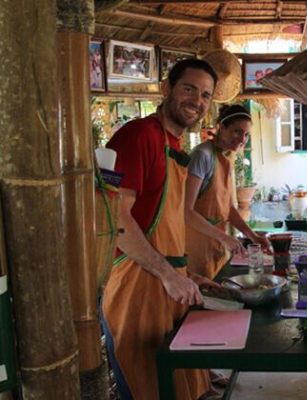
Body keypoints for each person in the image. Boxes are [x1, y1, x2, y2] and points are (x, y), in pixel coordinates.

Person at [101, 59, 222, 400]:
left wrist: (184, 273)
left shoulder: (175, 146)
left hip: (167, 285)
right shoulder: (139, 135)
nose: (197, 101)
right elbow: (117, 221)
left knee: (176, 386)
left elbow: (164, 224)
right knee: (146, 384)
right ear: (167, 89)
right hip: (136, 285)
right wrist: (169, 275)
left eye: (205, 95)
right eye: (189, 89)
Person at [185, 104, 270, 280]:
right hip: (197, 246)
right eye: (237, 132)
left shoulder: (227, 155)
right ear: (221, 127)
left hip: (219, 244)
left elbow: (227, 207)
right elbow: (186, 212)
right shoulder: (202, 155)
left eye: (246, 135)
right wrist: (224, 238)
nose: (242, 139)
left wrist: (251, 235)